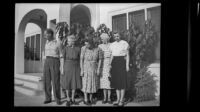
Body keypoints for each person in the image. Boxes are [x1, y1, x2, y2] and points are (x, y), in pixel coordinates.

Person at [80, 35, 102, 105]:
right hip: (86, 67)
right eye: (85, 44)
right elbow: (81, 59)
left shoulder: (97, 49)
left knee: (92, 83)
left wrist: (98, 69)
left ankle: (90, 98)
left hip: (93, 68)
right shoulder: (83, 48)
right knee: (86, 83)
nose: (86, 45)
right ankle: (86, 98)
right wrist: (82, 69)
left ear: (91, 43)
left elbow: (100, 59)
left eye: (87, 44)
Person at [60, 34, 82, 106]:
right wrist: (62, 68)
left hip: (75, 67)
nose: (68, 42)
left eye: (70, 41)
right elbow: (62, 59)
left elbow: (80, 59)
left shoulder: (78, 48)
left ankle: (73, 99)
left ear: (73, 41)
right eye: (68, 41)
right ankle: (68, 99)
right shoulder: (65, 48)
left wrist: (80, 68)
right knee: (68, 82)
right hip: (67, 66)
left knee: (74, 82)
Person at [109, 31, 130, 106]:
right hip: (114, 63)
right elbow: (112, 55)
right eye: (115, 37)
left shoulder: (124, 43)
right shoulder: (112, 45)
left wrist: (127, 65)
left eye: (117, 36)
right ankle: (118, 100)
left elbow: (127, 55)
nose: (116, 38)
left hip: (122, 63)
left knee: (122, 82)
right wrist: (110, 64)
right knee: (117, 82)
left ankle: (122, 100)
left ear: (120, 36)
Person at [43, 28, 62, 105]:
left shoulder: (58, 43)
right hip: (47, 61)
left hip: (55, 61)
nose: (44, 35)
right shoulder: (46, 42)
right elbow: (45, 54)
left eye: (45, 34)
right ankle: (48, 98)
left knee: (55, 81)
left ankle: (57, 99)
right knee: (46, 81)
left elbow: (61, 55)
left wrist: (62, 66)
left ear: (50, 34)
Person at [98, 33, 112, 104]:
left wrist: (111, 64)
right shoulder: (100, 46)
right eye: (101, 39)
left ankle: (109, 98)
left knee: (109, 82)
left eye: (103, 39)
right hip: (102, 64)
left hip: (110, 63)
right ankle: (104, 98)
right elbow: (98, 56)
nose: (102, 40)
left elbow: (112, 54)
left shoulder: (111, 45)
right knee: (103, 82)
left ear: (106, 38)